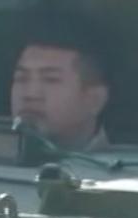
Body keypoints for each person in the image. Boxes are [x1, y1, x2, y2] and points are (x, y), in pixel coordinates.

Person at [9, 19, 112, 150]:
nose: (30, 94)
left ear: (94, 100)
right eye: (21, 78)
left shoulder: (130, 162)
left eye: (51, 79)